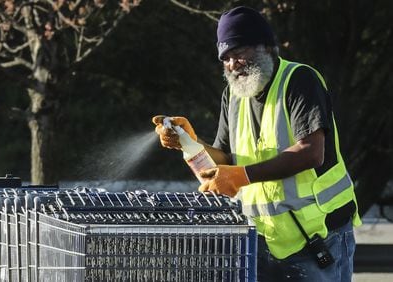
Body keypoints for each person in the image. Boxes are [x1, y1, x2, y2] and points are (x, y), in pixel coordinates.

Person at [152, 6, 361, 282]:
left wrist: (242, 175)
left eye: (238, 52)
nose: (232, 64)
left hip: (320, 235)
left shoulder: (299, 80)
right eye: (225, 58)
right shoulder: (234, 95)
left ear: (265, 47)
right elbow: (225, 161)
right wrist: (189, 142)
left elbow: (312, 152)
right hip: (264, 239)